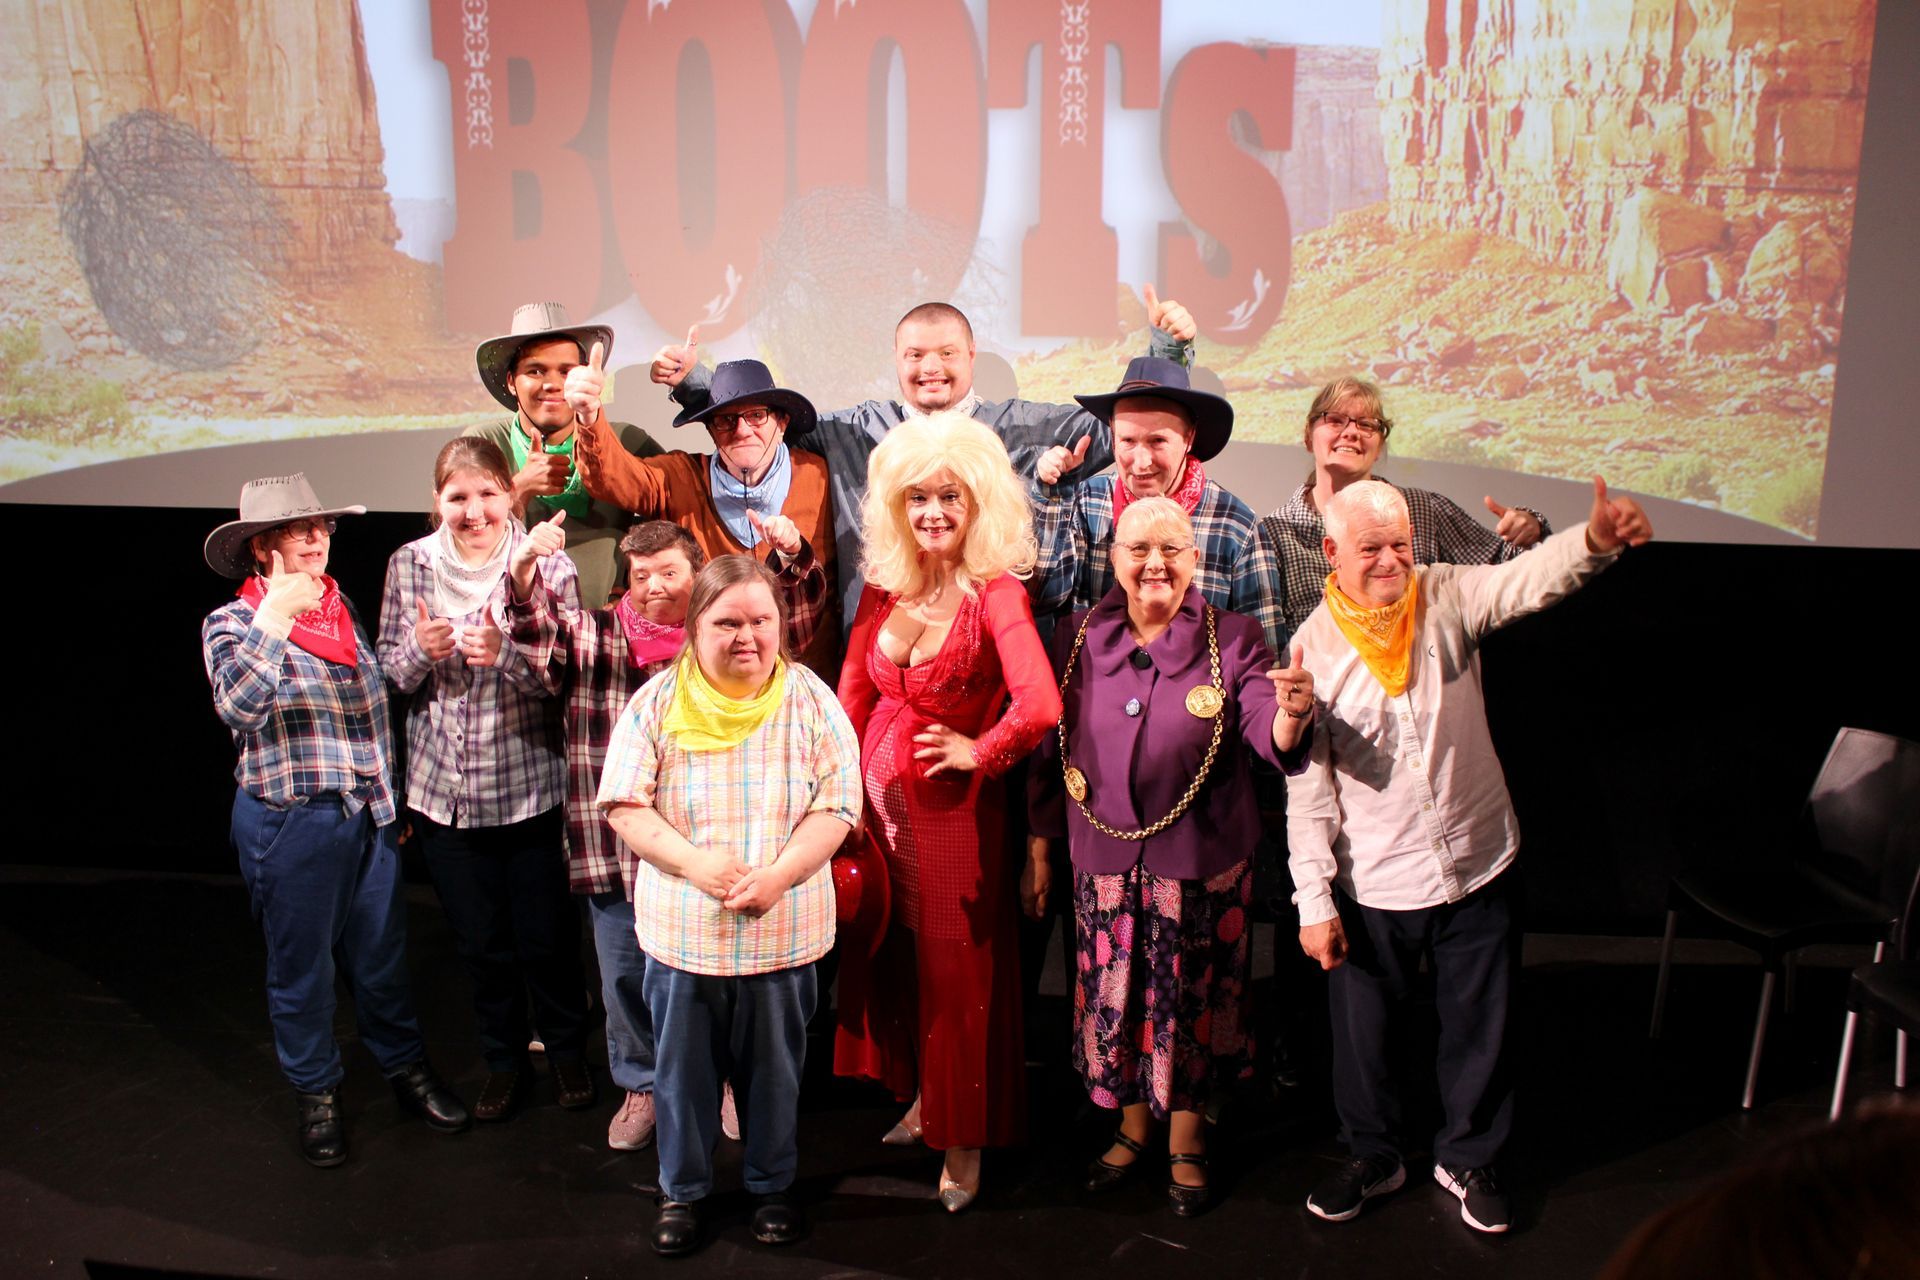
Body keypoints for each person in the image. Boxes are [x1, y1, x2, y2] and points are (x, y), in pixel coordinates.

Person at [1287, 477, 1652, 1235]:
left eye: (1401, 545)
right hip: (1373, 880)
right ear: (1329, 552)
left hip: (1475, 855)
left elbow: (1525, 581)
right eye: (1371, 549)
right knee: (1365, 1043)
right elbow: (1309, 794)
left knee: (1479, 1024)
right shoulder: (1310, 648)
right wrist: (1314, 902)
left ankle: (1468, 1155)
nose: (1392, 562)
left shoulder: (1445, 594)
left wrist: (1593, 545)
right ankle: (1375, 1155)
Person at [1027, 497, 1316, 1215]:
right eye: (1138, 549)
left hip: (1202, 867)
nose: (1155, 564)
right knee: (1114, 1003)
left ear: (1195, 558)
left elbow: (1262, 726)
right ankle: (1130, 1128)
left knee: (1186, 1005)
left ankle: (1186, 1138)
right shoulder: (1074, 635)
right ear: (1114, 557)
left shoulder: (1236, 638)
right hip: (1103, 864)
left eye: (1173, 550)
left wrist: (1292, 715)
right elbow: (1045, 753)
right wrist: (1038, 851)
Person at [503, 517, 829, 1153]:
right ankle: (643, 1084)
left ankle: (729, 1083)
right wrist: (521, 576)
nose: (652, 586)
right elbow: (533, 634)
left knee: (726, 989)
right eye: (640, 576)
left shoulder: (730, 640)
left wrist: (793, 555)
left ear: (698, 579)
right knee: (624, 979)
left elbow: (791, 617)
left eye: (669, 573)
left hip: (721, 861)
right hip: (617, 848)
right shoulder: (596, 632)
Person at [201, 474, 468, 1166]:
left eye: (323, 527)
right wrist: (274, 622)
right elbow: (239, 708)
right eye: (301, 529)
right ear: (264, 547)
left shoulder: (339, 604)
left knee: (380, 960)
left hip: (366, 817)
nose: (318, 538)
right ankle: (316, 1092)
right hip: (294, 824)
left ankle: (403, 1066)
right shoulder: (232, 623)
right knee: (304, 972)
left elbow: (371, 705)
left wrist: (389, 797)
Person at [646, 293, 1196, 628]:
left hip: (989, 643)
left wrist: (1167, 353)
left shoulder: (1022, 428)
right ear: (896, 360)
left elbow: (1123, 430)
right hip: (875, 638)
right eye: (915, 355)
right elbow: (757, 424)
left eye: (947, 353)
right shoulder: (854, 432)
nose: (931, 367)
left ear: (972, 357)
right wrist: (695, 385)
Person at [599, 555, 862, 1257]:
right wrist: (696, 864)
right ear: (694, 628)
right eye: (727, 622)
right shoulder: (656, 702)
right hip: (686, 938)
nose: (747, 636)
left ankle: (770, 1185)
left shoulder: (810, 699)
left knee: (775, 1074)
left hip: (783, 931)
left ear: (781, 625)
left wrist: (779, 875)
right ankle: (681, 1190)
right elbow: (623, 804)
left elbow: (838, 806)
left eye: (761, 620)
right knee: (681, 1077)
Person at [833, 413, 1064, 1212]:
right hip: (876, 817)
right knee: (902, 969)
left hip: (954, 825)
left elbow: (1039, 704)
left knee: (958, 982)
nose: (933, 511)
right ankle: (929, 1100)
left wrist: (981, 751)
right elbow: (851, 697)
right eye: (918, 496)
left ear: (982, 503)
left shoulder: (996, 591)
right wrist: (837, 792)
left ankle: (964, 1140)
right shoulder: (885, 583)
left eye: (950, 497)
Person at [376, 437, 594, 1121]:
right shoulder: (410, 564)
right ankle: (501, 1062)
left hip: (528, 786)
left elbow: (561, 679)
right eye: (457, 497)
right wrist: (420, 649)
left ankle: (564, 1053)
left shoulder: (545, 564)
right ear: (437, 501)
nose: (473, 511)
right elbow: (390, 670)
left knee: (546, 940)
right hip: (445, 796)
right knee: (481, 947)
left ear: (510, 493)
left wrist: (505, 655)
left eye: (487, 494)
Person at [560, 358, 841, 676]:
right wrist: (589, 414)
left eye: (756, 416)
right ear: (711, 429)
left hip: (805, 684)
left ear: (782, 422)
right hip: (712, 683)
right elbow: (612, 477)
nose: (742, 430)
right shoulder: (682, 477)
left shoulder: (821, 475)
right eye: (726, 420)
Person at [1257, 376, 1550, 640]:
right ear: (1309, 436)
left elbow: (1508, 576)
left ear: (1380, 443)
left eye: (1367, 424)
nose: (1351, 432)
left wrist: (1530, 530)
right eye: (1335, 420)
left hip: (1423, 688)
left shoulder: (1424, 510)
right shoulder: (1273, 535)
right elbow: (1271, 647)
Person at [1030, 356, 1283, 656]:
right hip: (1093, 696)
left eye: (1157, 441)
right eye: (1127, 441)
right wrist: (1054, 497)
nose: (1141, 462)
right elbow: (1042, 598)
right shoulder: (1087, 502)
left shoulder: (1236, 527)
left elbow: (1265, 657)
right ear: (1111, 435)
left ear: (1189, 438)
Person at [467, 301, 664, 608]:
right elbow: (456, 541)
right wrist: (519, 489)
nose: (552, 383)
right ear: (510, 381)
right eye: (535, 370)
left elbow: (675, 525)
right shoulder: (482, 445)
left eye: (566, 371)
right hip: (507, 629)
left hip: (604, 632)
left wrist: (631, 590)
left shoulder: (626, 440)